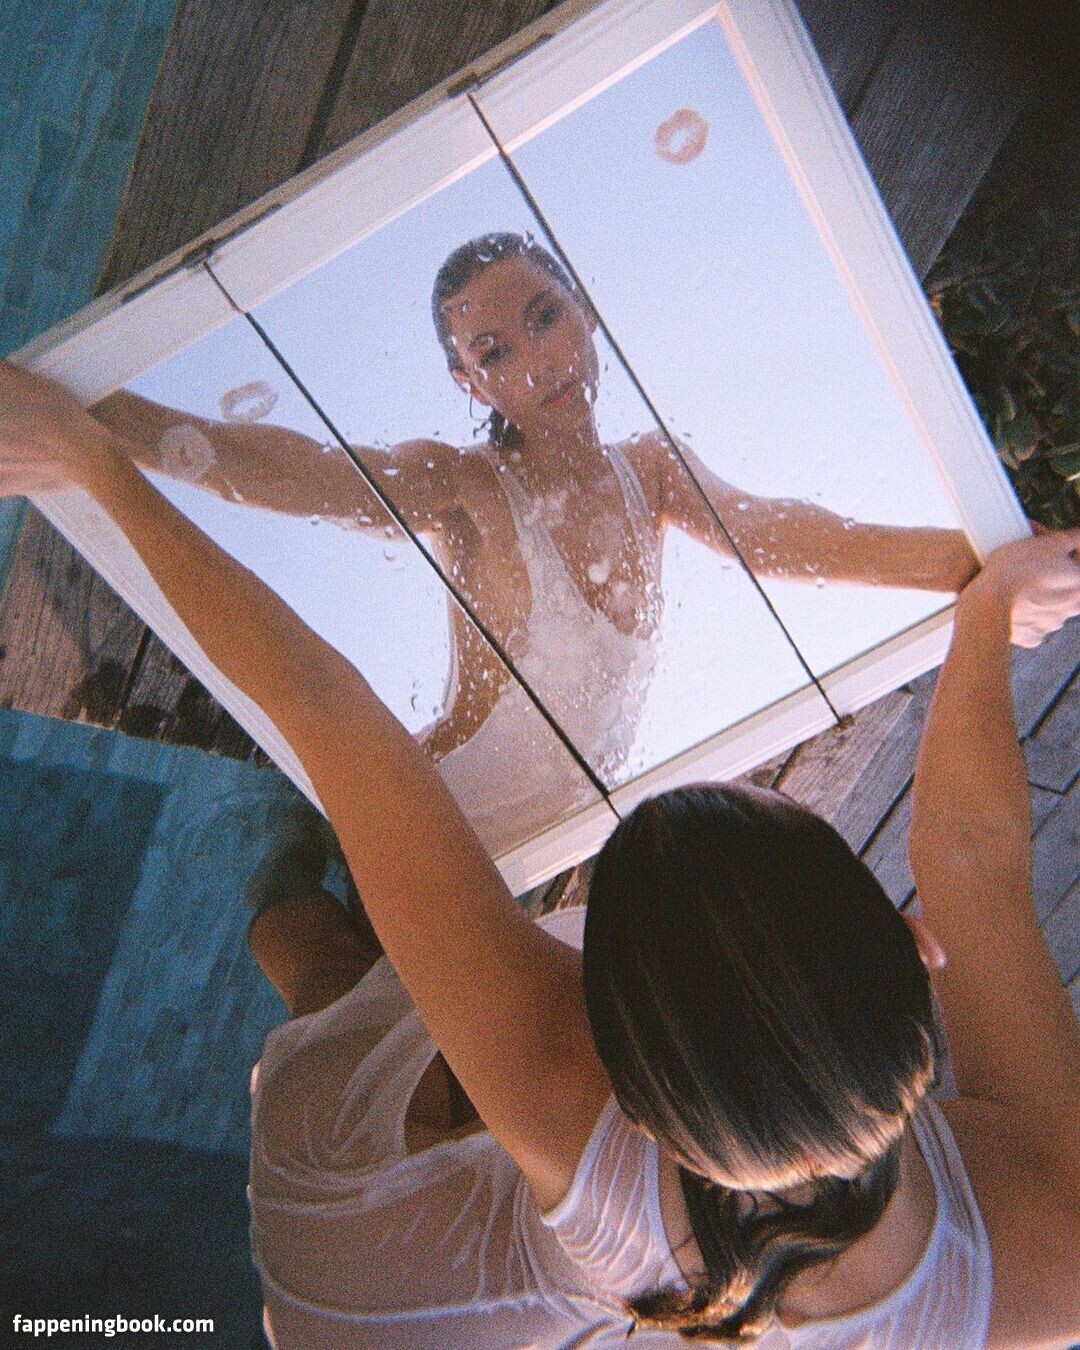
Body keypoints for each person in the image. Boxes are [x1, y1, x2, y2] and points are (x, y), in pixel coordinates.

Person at [2, 359, 1077, 1347]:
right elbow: (976, 859)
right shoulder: (1056, 1249)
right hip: (625, 1278)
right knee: (389, 974)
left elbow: (324, 709)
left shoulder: (566, 1097)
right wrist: (983, 607)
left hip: (367, 1295)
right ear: (913, 947)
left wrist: (94, 465)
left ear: (601, 1041)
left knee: (325, 969)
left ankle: (283, 895)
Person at [91, 235, 976, 846]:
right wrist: (96, 420)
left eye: (546, 317)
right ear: (470, 384)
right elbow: (304, 473)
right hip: (433, 826)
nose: (539, 360)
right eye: (495, 351)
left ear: (584, 312)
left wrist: (982, 568)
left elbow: (790, 538)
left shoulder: (654, 474)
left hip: (555, 849)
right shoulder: (467, 488)